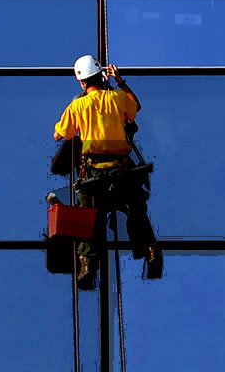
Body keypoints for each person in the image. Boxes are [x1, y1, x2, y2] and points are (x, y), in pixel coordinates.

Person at [54, 55, 162, 290]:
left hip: (94, 175)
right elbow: (135, 108)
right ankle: (152, 251)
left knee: (87, 219)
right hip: (122, 169)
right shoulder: (117, 98)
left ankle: (87, 266)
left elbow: (60, 133)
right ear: (101, 76)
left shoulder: (79, 105)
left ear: (82, 82)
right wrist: (120, 81)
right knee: (136, 210)